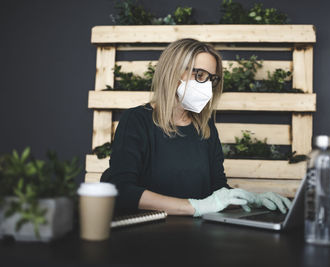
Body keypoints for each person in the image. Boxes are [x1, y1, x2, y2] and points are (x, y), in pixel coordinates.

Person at [103, 38, 291, 217]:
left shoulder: (205, 127)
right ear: (173, 72)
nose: (207, 85)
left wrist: (252, 200)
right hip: (148, 235)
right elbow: (122, 190)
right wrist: (195, 206)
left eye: (212, 79)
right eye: (200, 75)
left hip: (199, 235)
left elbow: (217, 190)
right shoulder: (136, 121)